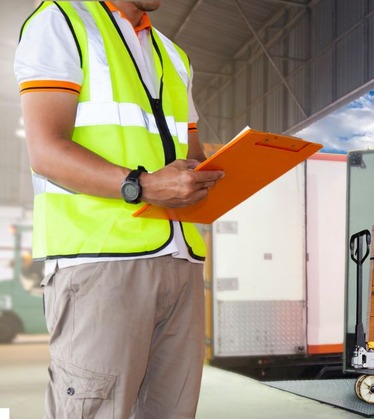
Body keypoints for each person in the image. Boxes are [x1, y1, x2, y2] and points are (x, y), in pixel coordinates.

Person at [15, 1, 224, 417]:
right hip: (100, 260)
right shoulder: (63, 21)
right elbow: (46, 151)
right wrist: (143, 185)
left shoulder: (172, 54)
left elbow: (191, 153)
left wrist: (213, 174)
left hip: (179, 259)